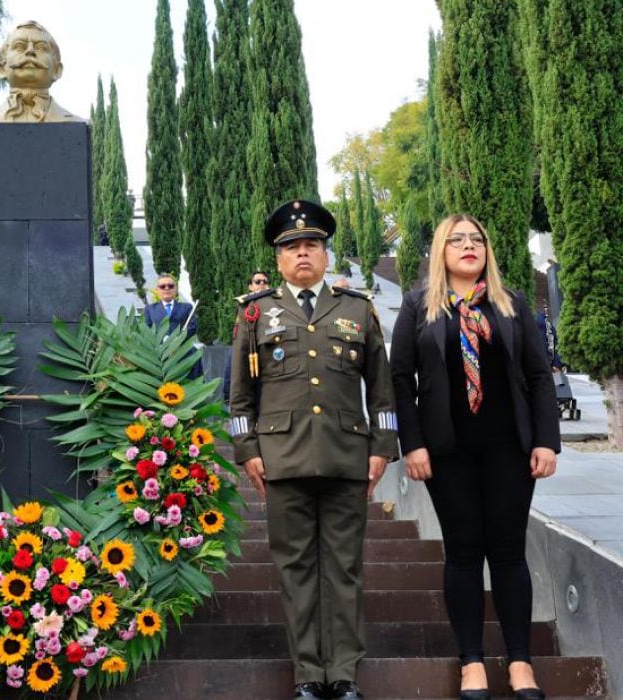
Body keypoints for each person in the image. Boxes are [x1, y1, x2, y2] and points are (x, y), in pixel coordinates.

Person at [229, 200, 398, 700]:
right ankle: (307, 674)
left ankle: (342, 673)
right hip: (282, 459)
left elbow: (382, 390)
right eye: (292, 247)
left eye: (312, 246)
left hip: (348, 456)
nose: (303, 254)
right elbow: (239, 396)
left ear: (325, 254)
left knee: (343, 568)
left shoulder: (357, 308)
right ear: (279, 259)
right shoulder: (255, 313)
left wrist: (382, 446)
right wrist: (248, 448)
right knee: (296, 570)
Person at [390, 214, 560, 700]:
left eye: (477, 240)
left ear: (487, 251)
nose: (469, 246)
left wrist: (546, 440)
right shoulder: (418, 306)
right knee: (463, 553)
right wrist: (413, 444)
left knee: (509, 553)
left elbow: (539, 375)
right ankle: (471, 662)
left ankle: (521, 661)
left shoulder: (511, 305)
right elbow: (400, 379)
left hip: (510, 449)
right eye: (457, 240)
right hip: (448, 453)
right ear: (441, 252)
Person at [0, 20, 81, 123]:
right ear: (2, 69)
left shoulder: (75, 124)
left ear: (57, 70)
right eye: (19, 46)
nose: (30, 51)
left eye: (41, 48)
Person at [143, 273, 203, 379]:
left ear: (175, 289)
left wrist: (178, 339)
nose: (167, 288)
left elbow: (192, 327)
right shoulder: (150, 309)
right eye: (163, 286)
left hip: (184, 355)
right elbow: (146, 330)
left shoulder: (187, 307)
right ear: (157, 290)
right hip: (160, 359)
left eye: (170, 286)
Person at [223, 271, 271, 401]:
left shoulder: (275, 303)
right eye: (258, 282)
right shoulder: (245, 304)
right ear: (250, 286)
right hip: (248, 344)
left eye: (265, 282)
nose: (262, 284)